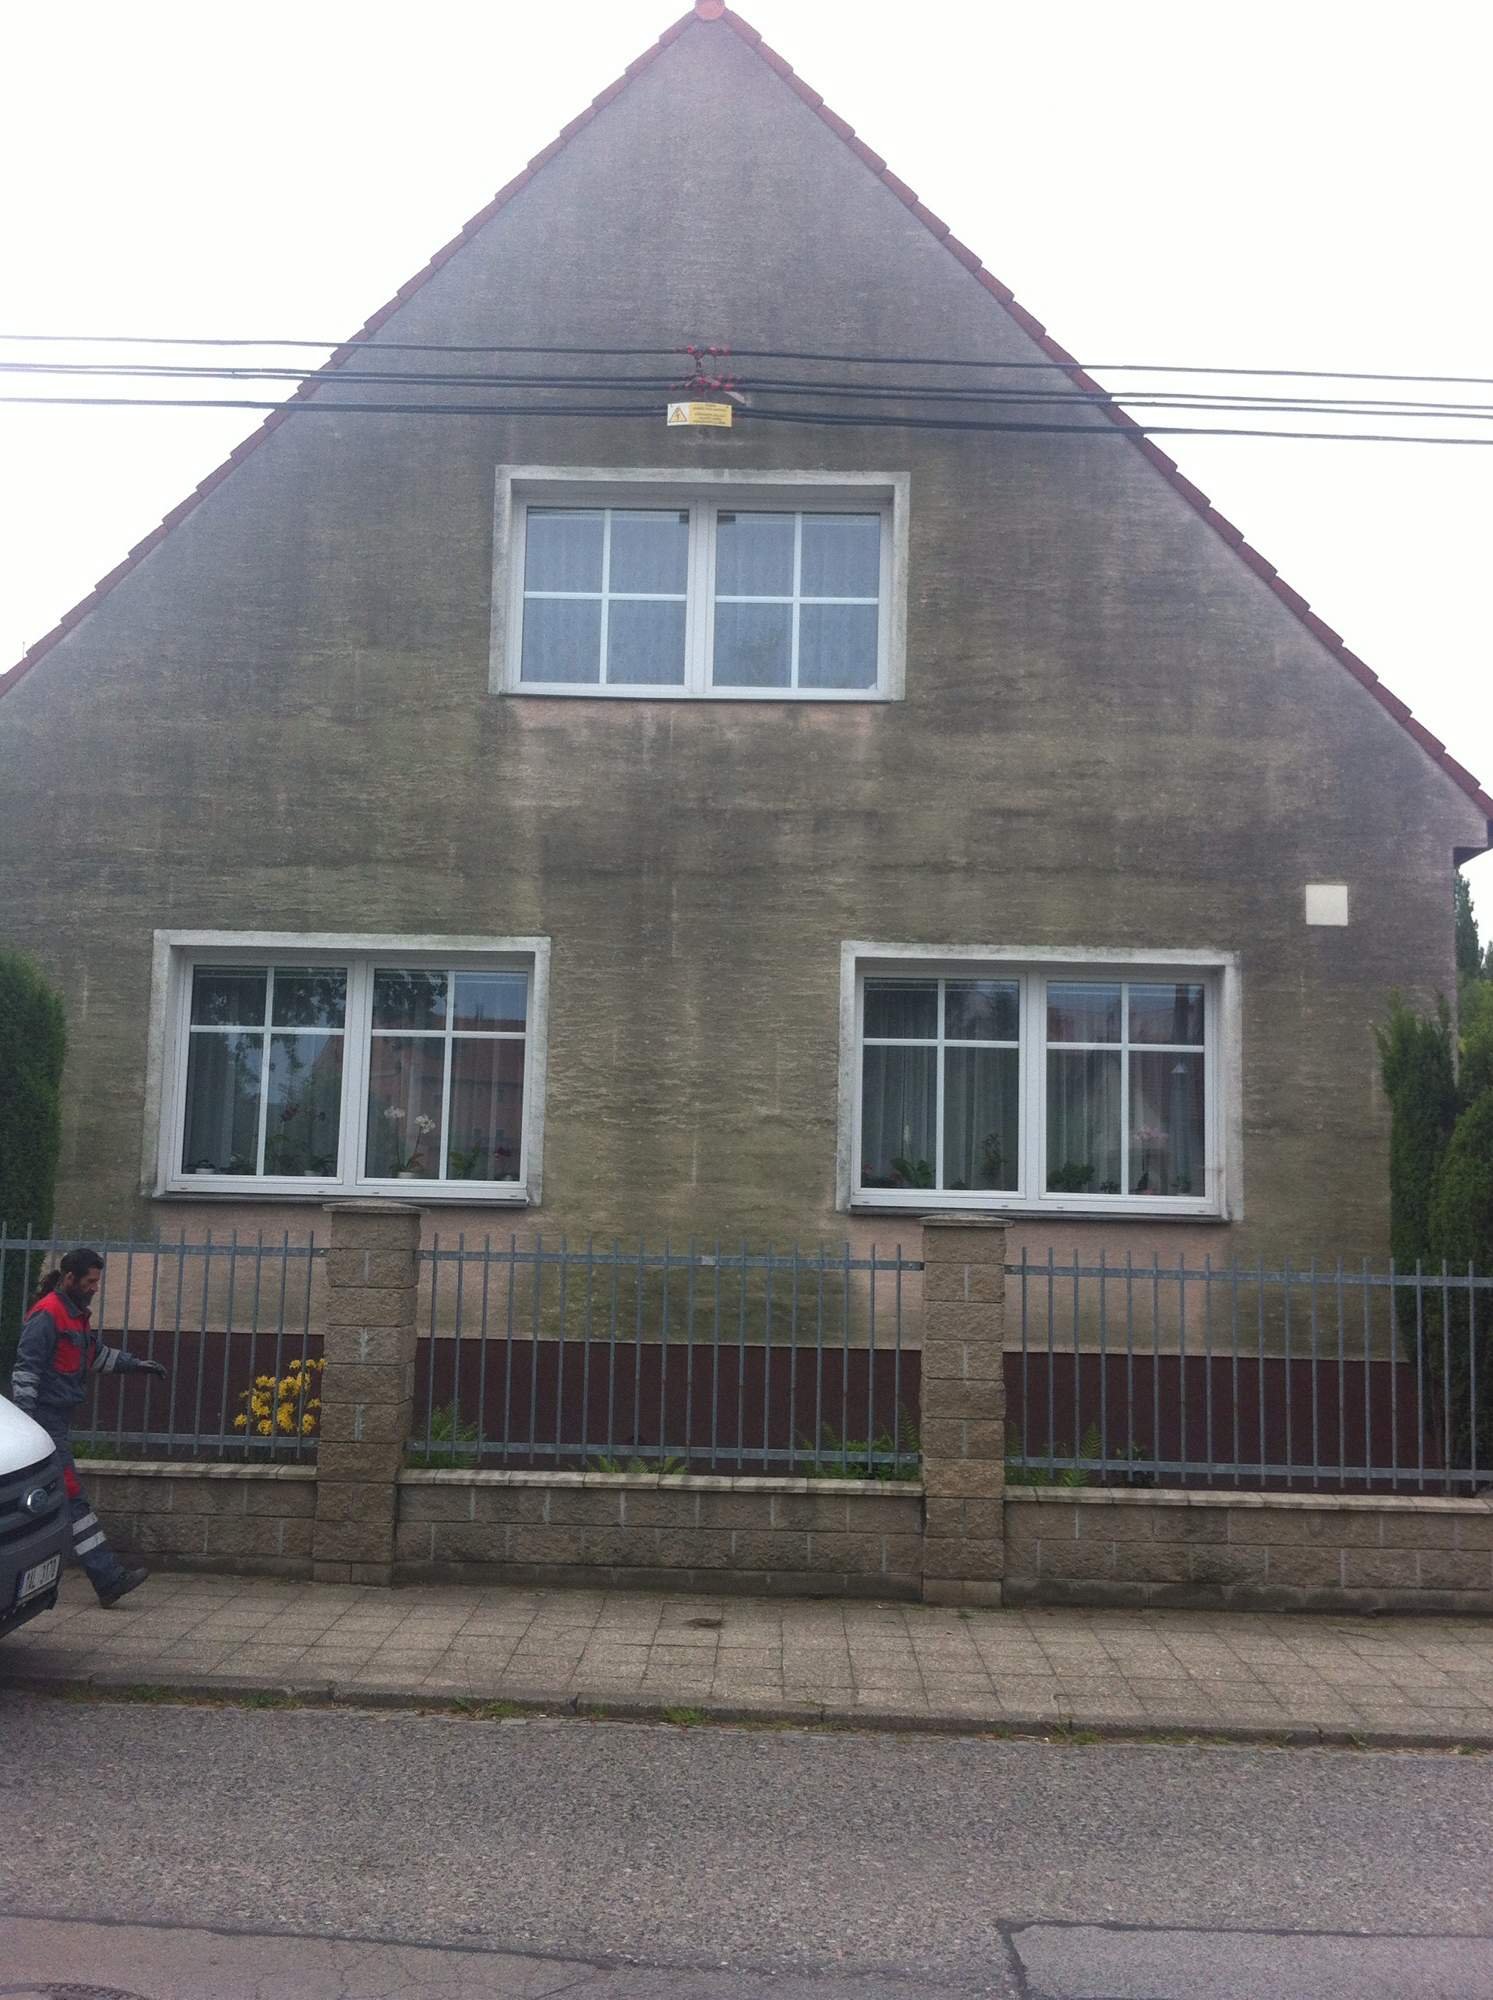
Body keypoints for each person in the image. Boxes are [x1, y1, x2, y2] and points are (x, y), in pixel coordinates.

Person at [9, 1246, 168, 1608]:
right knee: (72, 1496)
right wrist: (29, 1427)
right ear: (70, 1278)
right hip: (45, 1423)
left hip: (53, 1422)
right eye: (90, 1281)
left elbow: (93, 1355)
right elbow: (26, 1370)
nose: (95, 1287)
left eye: (97, 1281)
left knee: (47, 1500)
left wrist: (135, 1365)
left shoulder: (74, 1315)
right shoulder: (49, 1314)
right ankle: (108, 1578)